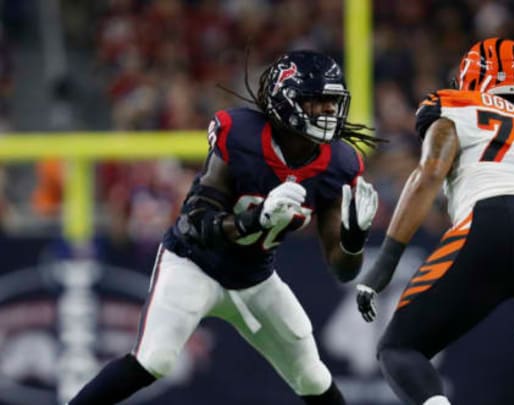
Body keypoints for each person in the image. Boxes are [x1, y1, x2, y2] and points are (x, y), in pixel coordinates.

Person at [69, 50, 380, 405]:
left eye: (333, 101)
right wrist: (255, 219)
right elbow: (196, 220)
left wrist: (354, 239)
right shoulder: (242, 135)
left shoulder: (337, 163)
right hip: (194, 264)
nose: (328, 111)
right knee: (154, 360)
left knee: (312, 375)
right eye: (318, 101)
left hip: (255, 278)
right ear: (286, 101)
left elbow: (341, 269)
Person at [355, 37, 514, 405]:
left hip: (492, 219)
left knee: (399, 349)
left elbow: (430, 173)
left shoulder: (455, 105)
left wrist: (385, 262)